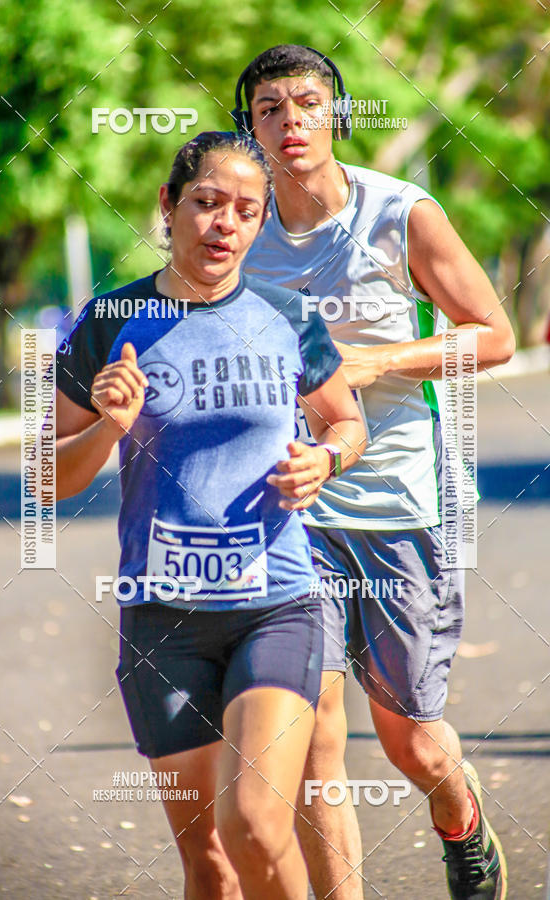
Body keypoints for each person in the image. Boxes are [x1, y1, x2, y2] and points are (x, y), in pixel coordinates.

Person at [54, 130, 366, 899]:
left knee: (255, 822)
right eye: (206, 202)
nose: (224, 222)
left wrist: (324, 458)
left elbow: (346, 423)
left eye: (245, 210)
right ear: (169, 205)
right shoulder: (110, 319)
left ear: (261, 225)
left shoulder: (288, 316)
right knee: (210, 868)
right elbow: (46, 476)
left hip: (277, 605)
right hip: (162, 617)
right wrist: (109, 428)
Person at [236, 45, 515, 899]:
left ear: (338, 113)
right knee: (316, 729)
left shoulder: (402, 214)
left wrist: (368, 365)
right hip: (296, 506)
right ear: (250, 126)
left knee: (410, 742)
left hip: (398, 500)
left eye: (307, 103)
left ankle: (460, 817)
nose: (291, 122)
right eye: (270, 108)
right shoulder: (240, 225)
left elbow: (494, 335)